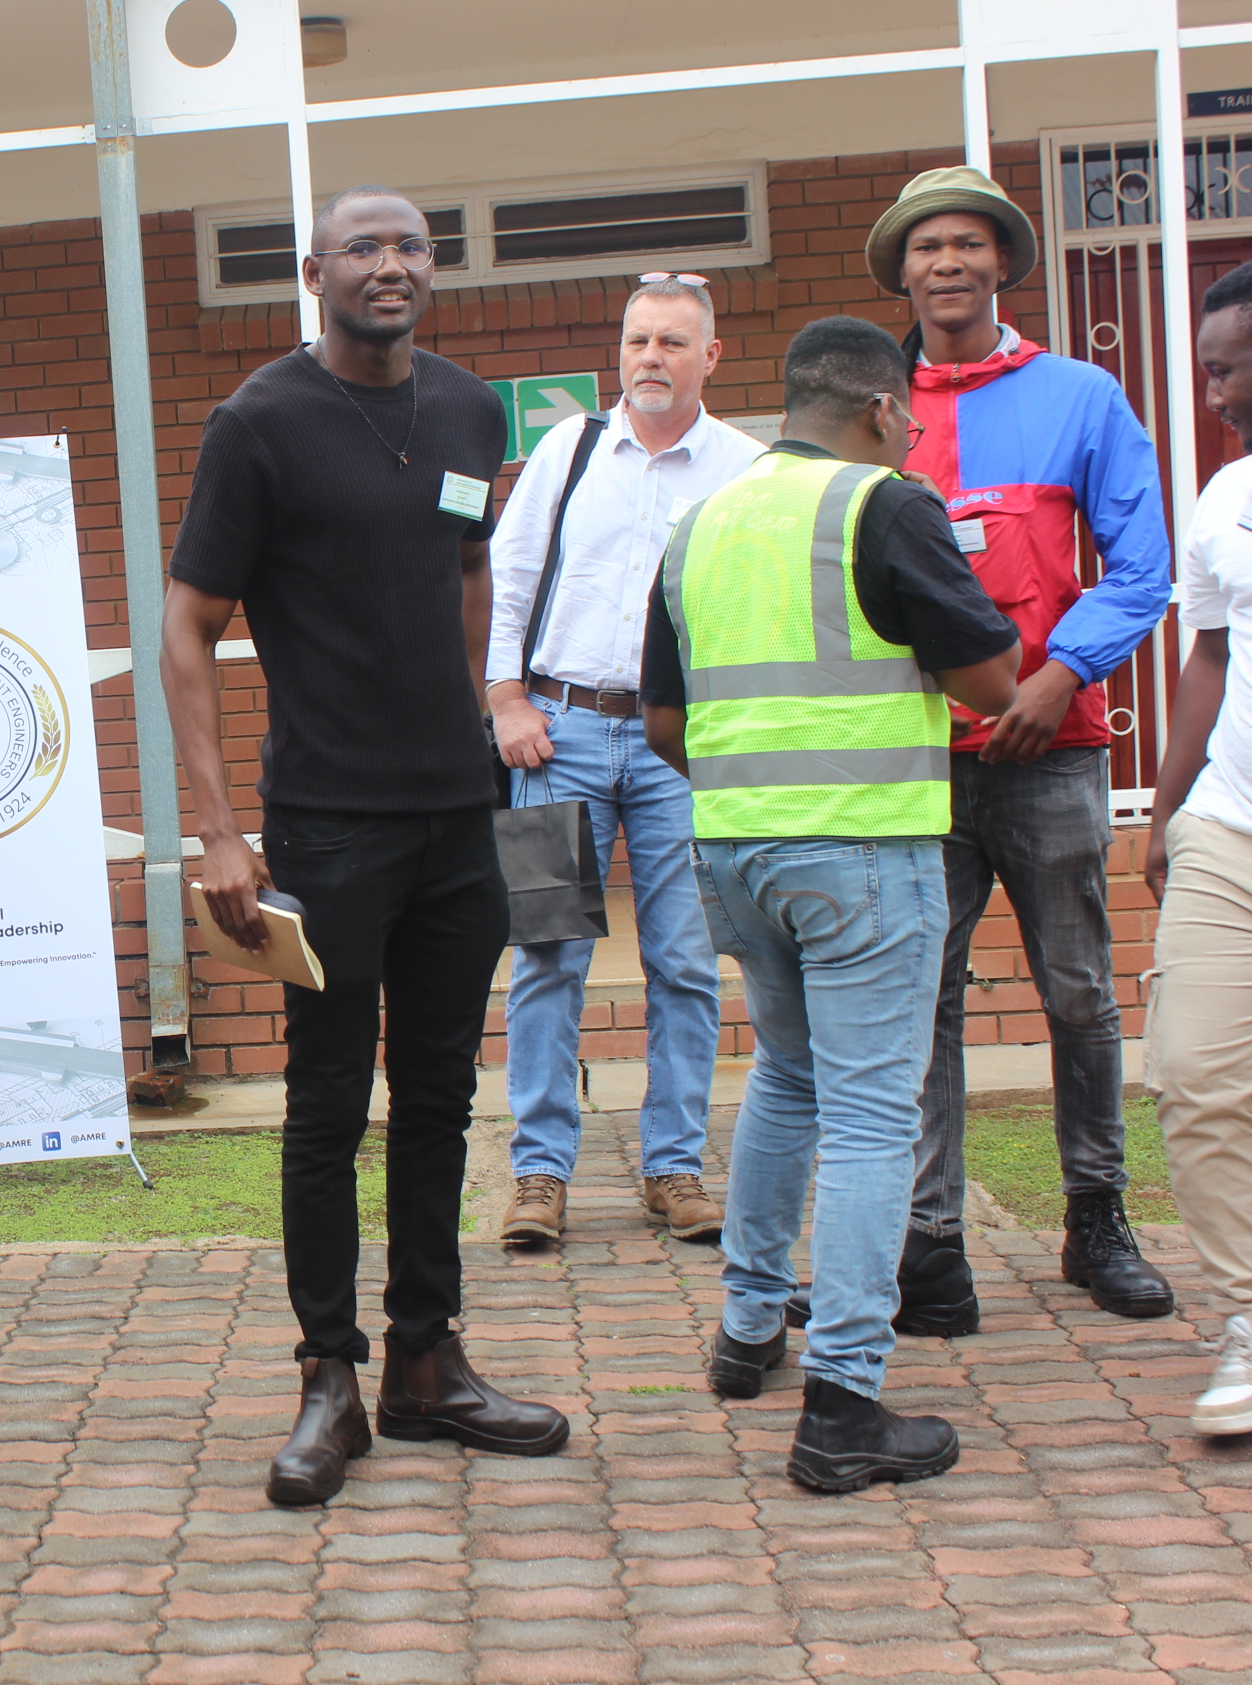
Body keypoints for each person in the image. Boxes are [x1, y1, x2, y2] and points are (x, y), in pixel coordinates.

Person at [165, 184, 572, 1511]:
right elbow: (187, 628)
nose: (389, 265)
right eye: (363, 248)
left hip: (457, 816)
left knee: (442, 1095)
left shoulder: (468, 409)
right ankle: (327, 1379)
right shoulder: (260, 424)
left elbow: (468, 569)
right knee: (329, 1103)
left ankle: (426, 1363)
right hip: (327, 825)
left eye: (409, 247)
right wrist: (220, 832)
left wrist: (484, 708)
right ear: (314, 272)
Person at [644, 316, 1021, 1492]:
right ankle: (845, 1404)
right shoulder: (886, 505)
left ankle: (748, 1329)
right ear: (881, 410)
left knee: (788, 1082)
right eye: (908, 420)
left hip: (736, 852)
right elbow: (992, 680)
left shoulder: (702, 522)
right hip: (861, 849)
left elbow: (664, 722)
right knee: (869, 1117)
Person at [861, 167, 1176, 1332]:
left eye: (968, 243)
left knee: (1080, 994)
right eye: (926, 246)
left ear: (1003, 262)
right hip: (914, 755)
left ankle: (1097, 1217)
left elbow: (1142, 566)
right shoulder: (871, 411)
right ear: (901, 271)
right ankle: (931, 1242)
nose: (947, 262)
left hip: (1053, 745)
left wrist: (1061, 673)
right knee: (921, 1004)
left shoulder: (1081, 396)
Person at [485, 273, 765, 1248]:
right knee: (546, 956)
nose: (651, 358)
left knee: (685, 961)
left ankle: (674, 1167)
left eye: (672, 342)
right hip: (554, 739)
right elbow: (509, 580)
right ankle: (539, 1174)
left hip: (678, 750)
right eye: (638, 340)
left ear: (710, 357)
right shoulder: (569, 450)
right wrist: (505, 699)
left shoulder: (745, 469)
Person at [1140, 259, 1252, 1436]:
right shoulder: (1226, 497)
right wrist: (1169, 815)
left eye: (1227, 369)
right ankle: (1250, 1318)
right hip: (1231, 820)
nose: (1213, 394)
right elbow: (1208, 659)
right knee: (1194, 1072)